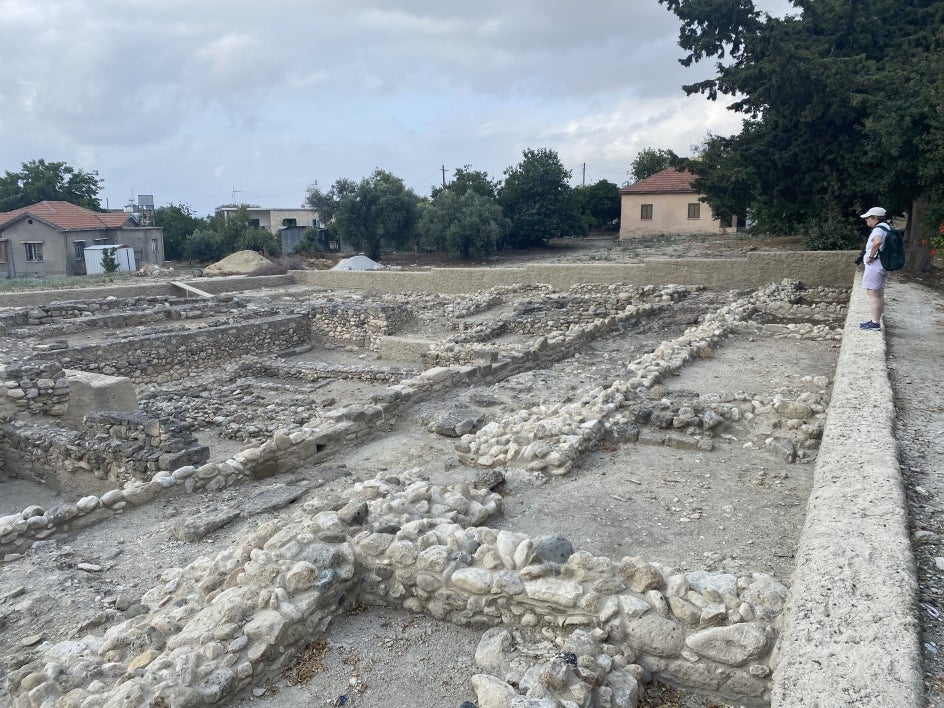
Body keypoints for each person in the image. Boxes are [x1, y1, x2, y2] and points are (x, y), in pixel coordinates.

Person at [859, 206, 889, 330]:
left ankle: (875, 323)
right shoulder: (887, 227)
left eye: (868, 218)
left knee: (873, 293)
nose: (866, 221)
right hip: (884, 263)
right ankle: (877, 319)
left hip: (876, 264)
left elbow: (877, 242)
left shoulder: (878, 230)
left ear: (874, 218)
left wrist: (871, 256)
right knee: (879, 293)